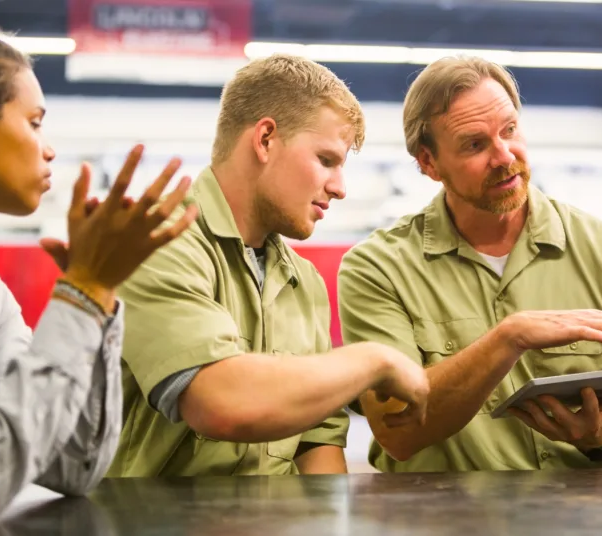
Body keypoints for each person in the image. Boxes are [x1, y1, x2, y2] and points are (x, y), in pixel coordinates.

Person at [337, 56, 602, 473]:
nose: (504, 156)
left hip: (588, 517)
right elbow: (398, 433)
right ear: (429, 163)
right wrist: (507, 339)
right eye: (474, 144)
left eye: (509, 130)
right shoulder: (377, 270)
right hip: (443, 517)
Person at [106, 54, 430, 478]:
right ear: (265, 140)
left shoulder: (305, 282)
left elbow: (317, 440)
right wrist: (374, 360)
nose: (340, 187)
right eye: (326, 160)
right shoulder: (157, 243)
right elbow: (219, 404)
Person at [0, 19, 197, 521]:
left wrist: (96, 302)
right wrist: (82, 289)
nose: (50, 148)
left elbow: (74, 465)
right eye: (35, 122)